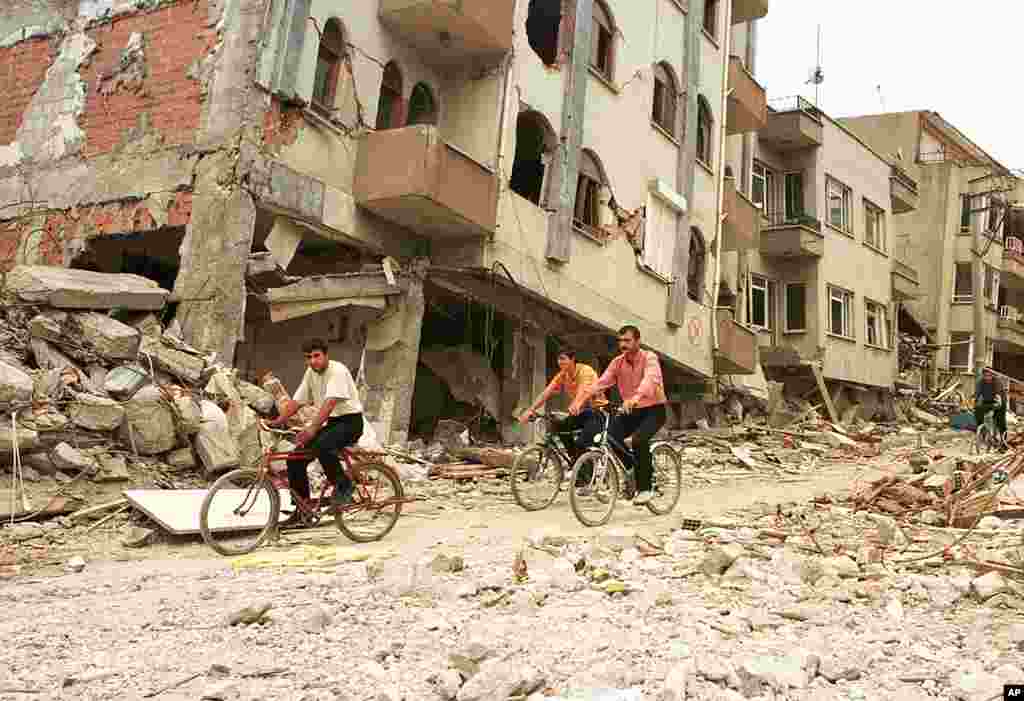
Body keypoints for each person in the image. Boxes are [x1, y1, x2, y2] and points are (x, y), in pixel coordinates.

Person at [569, 325, 667, 505]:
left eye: (627, 340)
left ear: (638, 341)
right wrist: (580, 400)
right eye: (620, 341)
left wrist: (635, 397)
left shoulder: (649, 358)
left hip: (654, 409)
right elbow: (601, 383)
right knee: (610, 438)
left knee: (638, 441)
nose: (623, 345)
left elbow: (650, 380)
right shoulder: (617, 362)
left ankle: (646, 488)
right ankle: (632, 471)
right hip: (630, 410)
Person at [270, 338, 364, 509]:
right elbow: (297, 401)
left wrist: (312, 428)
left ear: (326, 355)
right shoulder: (310, 373)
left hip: (351, 423)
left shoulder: (337, 371)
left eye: (316, 356)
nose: (313, 361)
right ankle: (302, 509)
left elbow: (330, 403)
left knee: (323, 446)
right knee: (294, 459)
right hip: (333, 423)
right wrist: (277, 421)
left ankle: (344, 486)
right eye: (308, 357)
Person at [518, 348, 607, 476]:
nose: (560, 362)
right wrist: (530, 410)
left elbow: (584, 390)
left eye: (563, 358)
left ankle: (587, 474)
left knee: (582, 443)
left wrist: (576, 403)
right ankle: (575, 460)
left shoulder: (585, 371)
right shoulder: (563, 375)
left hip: (597, 413)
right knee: (559, 427)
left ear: (572, 359)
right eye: (558, 359)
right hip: (581, 413)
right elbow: (546, 392)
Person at [975, 368, 1007, 443]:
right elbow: (977, 394)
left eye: (989, 375)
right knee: (978, 411)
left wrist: (998, 402)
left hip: (1000, 401)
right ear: (983, 375)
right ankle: (982, 432)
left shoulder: (997, 381)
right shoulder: (980, 382)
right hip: (987, 401)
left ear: (993, 375)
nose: (987, 377)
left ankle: (1003, 440)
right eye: (985, 375)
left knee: (1001, 420)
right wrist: (975, 401)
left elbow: (998, 394)